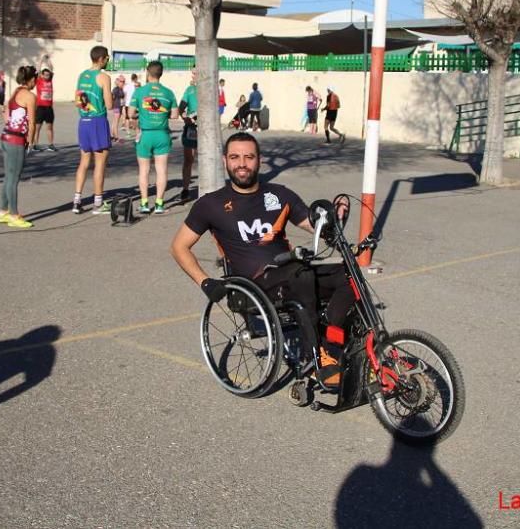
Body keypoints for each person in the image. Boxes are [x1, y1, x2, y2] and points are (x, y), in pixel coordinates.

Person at [169, 132, 354, 388]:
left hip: (291, 272)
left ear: (259, 161)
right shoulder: (210, 205)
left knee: (349, 274)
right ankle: (315, 360)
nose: (242, 163)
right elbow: (179, 246)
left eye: (249, 157)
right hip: (254, 285)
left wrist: (333, 219)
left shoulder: (280, 195)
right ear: (225, 161)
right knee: (301, 273)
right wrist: (205, 282)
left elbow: (314, 226)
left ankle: (334, 345)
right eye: (235, 157)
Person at [130, 60, 178, 214]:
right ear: (161, 74)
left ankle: (144, 204)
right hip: (162, 135)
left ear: (147, 72)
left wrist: (141, 113)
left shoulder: (139, 91)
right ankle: (159, 204)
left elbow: (130, 114)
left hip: (145, 134)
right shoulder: (169, 92)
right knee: (161, 171)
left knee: (144, 170)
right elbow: (175, 115)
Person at [72, 45, 114, 214]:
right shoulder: (103, 77)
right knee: (100, 164)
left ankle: (76, 200)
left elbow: (78, 99)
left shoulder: (82, 75)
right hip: (98, 121)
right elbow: (109, 105)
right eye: (107, 58)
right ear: (102, 59)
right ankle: (98, 202)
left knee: (83, 162)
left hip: (84, 120)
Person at [0, 65, 38, 228]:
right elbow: (32, 122)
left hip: (6, 136)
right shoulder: (30, 96)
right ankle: (13, 214)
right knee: (14, 178)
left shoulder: (14, 93)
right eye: (36, 79)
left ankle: (2, 211)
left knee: (8, 176)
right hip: (16, 140)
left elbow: (6, 115)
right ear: (32, 79)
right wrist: (31, 140)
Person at [179, 72, 199, 201]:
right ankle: (186, 189)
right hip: (192, 128)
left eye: (196, 73)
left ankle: (210, 190)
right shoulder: (190, 90)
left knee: (209, 160)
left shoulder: (211, 89)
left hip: (208, 129)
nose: (193, 76)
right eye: (193, 73)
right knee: (189, 160)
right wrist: (186, 119)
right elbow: (181, 108)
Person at [31, 67, 56, 151]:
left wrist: (48, 60)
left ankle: (51, 145)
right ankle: (35, 145)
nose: (47, 76)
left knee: (50, 127)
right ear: (42, 75)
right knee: (37, 127)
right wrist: (41, 60)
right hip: (40, 107)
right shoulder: (39, 81)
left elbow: (51, 68)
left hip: (49, 108)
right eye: (45, 75)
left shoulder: (50, 81)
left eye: (48, 75)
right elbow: (38, 70)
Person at [110, 74, 126, 143]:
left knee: (115, 121)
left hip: (120, 106)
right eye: (122, 81)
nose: (123, 83)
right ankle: (116, 137)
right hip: (116, 107)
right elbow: (112, 98)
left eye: (124, 81)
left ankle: (112, 135)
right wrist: (112, 105)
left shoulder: (121, 89)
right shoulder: (115, 89)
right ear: (118, 82)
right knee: (116, 122)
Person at [123, 73, 139, 139]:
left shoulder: (127, 86)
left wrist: (124, 102)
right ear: (135, 78)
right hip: (134, 104)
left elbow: (124, 94)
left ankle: (128, 133)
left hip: (127, 103)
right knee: (135, 118)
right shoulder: (136, 86)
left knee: (127, 118)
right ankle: (137, 132)